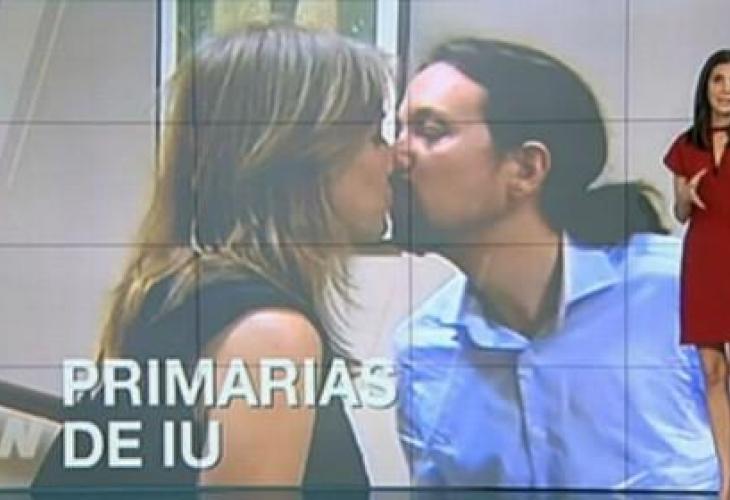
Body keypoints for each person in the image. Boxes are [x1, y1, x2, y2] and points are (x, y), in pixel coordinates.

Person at [34, 24, 393, 489]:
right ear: (302, 155)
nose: (394, 159)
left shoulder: (175, 289)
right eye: (374, 137)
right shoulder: (269, 334)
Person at [391, 38, 717, 489]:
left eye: (430, 131)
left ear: (526, 169)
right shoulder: (422, 351)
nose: (396, 155)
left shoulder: (680, 291)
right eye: (397, 131)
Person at [664, 49, 730, 499]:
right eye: (718, 80)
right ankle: (728, 480)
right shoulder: (687, 146)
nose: (726, 90)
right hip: (705, 259)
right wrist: (686, 195)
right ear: (706, 88)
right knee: (712, 371)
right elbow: (680, 213)